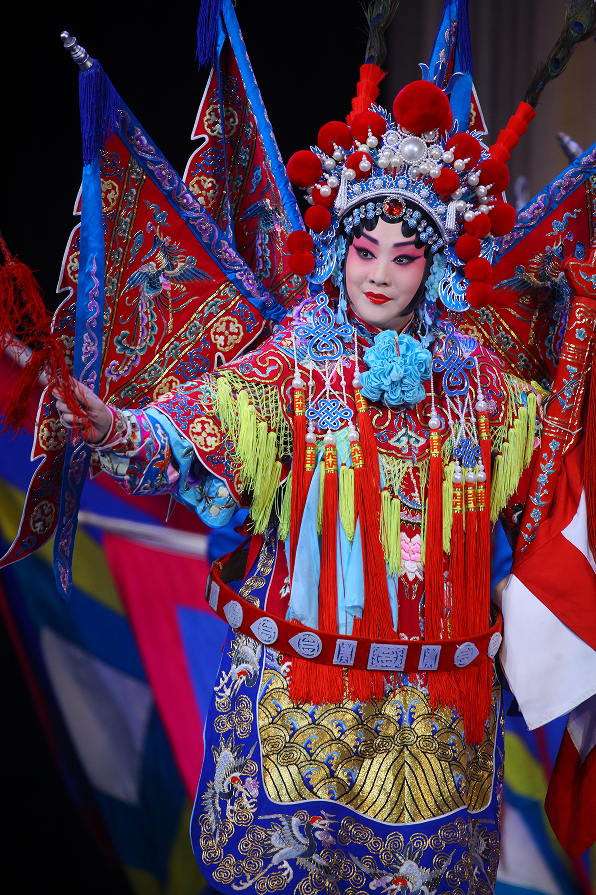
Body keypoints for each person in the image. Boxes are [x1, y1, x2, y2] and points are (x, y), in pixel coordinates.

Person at [53, 79, 544, 888]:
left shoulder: (480, 382)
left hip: (436, 711)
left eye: (404, 256)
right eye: (364, 250)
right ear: (338, 248)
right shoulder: (294, 361)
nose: (379, 274)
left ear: (433, 266)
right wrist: (116, 427)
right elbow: (195, 422)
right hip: (302, 697)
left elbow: (552, 472)